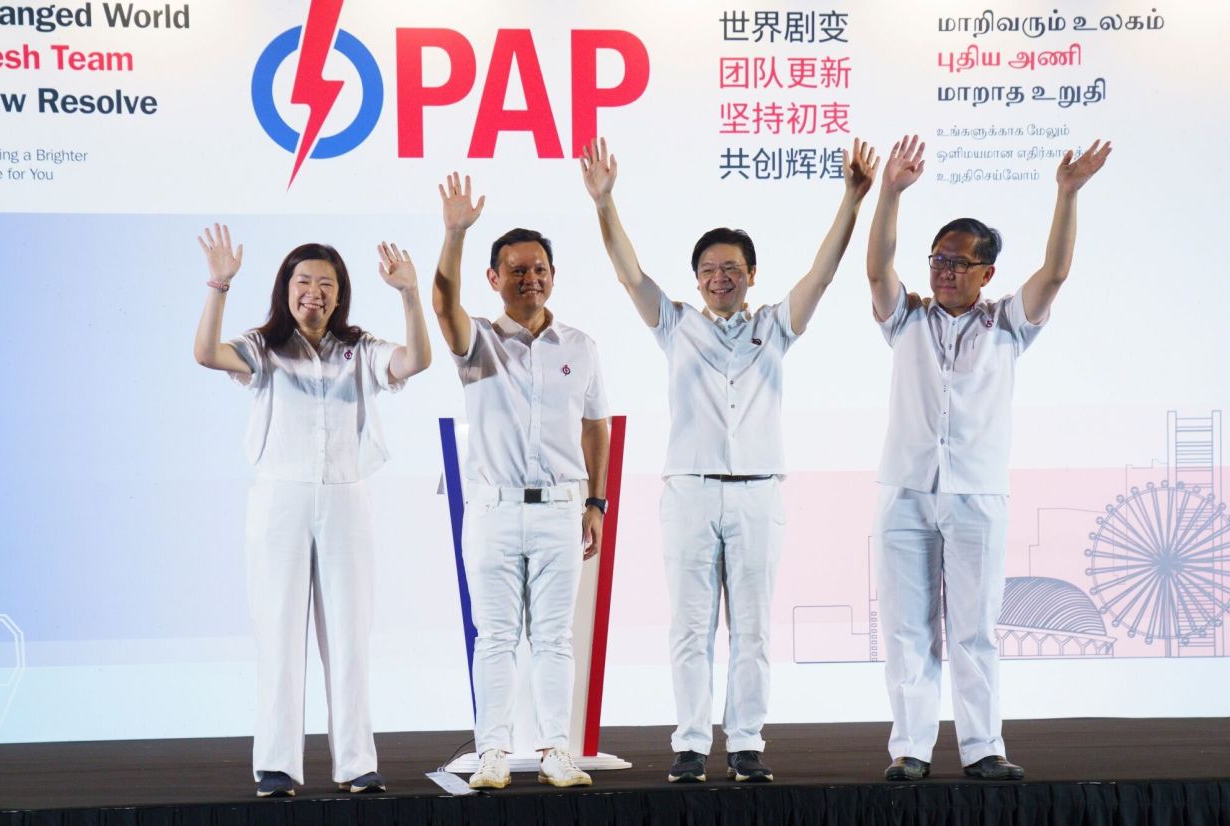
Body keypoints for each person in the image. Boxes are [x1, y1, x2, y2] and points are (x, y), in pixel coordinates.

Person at [580, 136, 878, 783]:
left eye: (733, 267)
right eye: (711, 268)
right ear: (697, 278)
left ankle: (745, 743)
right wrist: (606, 202)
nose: (722, 276)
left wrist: (851, 202)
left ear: (750, 274)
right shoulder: (675, 323)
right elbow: (630, 273)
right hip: (689, 491)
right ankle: (690, 744)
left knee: (752, 632)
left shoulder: (774, 325)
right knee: (689, 628)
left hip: (758, 493)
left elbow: (822, 275)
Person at [866, 135, 1112, 782]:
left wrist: (1067, 194)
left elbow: (1054, 274)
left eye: (958, 262)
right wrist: (889, 192)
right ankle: (910, 750)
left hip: (976, 494)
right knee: (907, 630)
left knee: (973, 630)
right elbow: (875, 271)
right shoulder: (907, 321)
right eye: (937, 259)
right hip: (905, 493)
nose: (943, 270)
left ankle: (982, 749)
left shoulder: (1008, 323)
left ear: (986, 273)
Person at [193, 225, 432, 797]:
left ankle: (356, 762)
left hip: (347, 496)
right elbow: (205, 352)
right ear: (286, 288)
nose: (314, 293)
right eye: (303, 282)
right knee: (278, 631)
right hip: (281, 497)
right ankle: (277, 764)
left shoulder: (359, 349)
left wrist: (408, 294)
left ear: (340, 293)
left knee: (350, 634)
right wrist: (219, 286)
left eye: (326, 284)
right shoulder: (263, 346)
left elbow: (416, 361)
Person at [431, 174, 611, 789]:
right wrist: (454, 233)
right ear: (494, 279)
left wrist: (596, 502)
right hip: (494, 509)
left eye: (538, 269)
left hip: (562, 508)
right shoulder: (476, 341)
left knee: (555, 637)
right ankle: (492, 754)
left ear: (553, 275)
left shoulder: (580, 346)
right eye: (515, 270)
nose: (528, 279)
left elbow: (596, 428)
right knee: (498, 636)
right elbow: (441, 304)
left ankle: (556, 748)